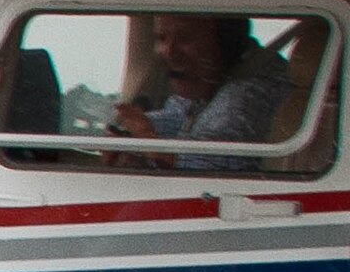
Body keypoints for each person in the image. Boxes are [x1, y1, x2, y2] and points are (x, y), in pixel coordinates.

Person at [109, 14, 291, 170]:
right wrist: (136, 128)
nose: (169, 52)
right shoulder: (223, 70)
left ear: (226, 40)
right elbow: (183, 112)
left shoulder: (249, 94)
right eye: (162, 38)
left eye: (185, 38)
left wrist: (154, 148)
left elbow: (213, 164)